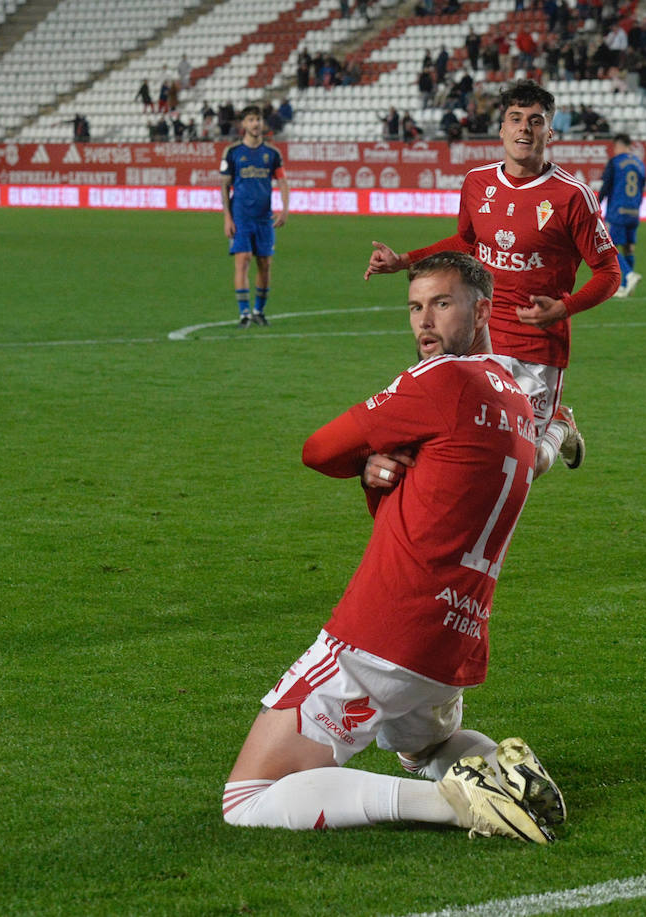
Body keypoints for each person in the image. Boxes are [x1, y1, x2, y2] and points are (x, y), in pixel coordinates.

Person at [222, 252, 562, 844]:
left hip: (384, 630)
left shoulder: (440, 379)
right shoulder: (512, 396)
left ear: (482, 310)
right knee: (424, 745)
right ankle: (510, 776)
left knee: (248, 799)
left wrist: (363, 460)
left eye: (442, 304)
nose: (424, 321)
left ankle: (456, 804)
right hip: (454, 634)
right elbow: (516, 463)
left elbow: (319, 449)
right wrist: (380, 472)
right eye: (414, 307)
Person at [365, 80, 621, 479]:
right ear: (501, 129)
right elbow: (465, 242)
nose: (524, 129)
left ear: (550, 132)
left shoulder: (573, 196)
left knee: (525, 466)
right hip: (475, 334)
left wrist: (564, 308)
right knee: (459, 436)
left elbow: (609, 272)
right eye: (515, 119)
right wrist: (403, 261)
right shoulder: (477, 183)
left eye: (535, 122)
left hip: (536, 345)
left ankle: (559, 427)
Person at [220, 105, 289, 327]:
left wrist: (285, 209)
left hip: (263, 218)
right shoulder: (232, 153)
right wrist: (227, 218)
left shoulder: (272, 154)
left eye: (258, 119)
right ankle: (244, 314)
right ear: (243, 125)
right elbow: (224, 186)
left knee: (265, 264)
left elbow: (282, 181)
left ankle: (258, 310)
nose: (255, 123)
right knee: (243, 261)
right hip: (240, 217)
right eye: (250, 120)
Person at [600, 134, 646, 298]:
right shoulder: (640, 164)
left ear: (619, 145)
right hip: (634, 211)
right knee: (628, 247)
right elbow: (642, 188)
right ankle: (626, 287)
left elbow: (606, 186)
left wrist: (596, 204)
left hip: (617, 210)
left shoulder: (615, 162)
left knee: (609, 248)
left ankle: (629, 275)